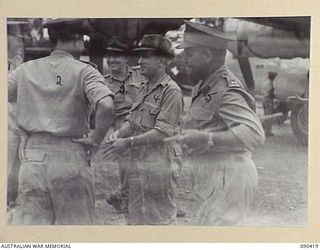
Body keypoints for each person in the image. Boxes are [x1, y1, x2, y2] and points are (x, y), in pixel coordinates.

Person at [7, 18, 114, 225]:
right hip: (69, 155)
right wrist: (95, 140)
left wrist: (19, 130)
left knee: (34, 235)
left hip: (33, 158)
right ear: (76, 39)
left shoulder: (25, 70)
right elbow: (107, 106)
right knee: (74, 232)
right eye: (83, 39)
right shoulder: (85, 71)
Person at [177, 21, 265, 225]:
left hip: (229, 178)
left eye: (189, 54)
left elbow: (254, 133)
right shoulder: (204, 84)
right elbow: (210, 120)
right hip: (213, 177)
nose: (185, 60)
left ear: (207, 56)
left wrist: (206, 138)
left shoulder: (227, 88)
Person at [103, 34, 184, 225]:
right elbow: (132, 120)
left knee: (159, 220)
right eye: (140, 57)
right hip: (138, 162)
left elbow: (163, 131)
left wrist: (128, 142)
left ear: (162, 60)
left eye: (146, 57)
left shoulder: (171, 91)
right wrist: (119, 133)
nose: (140, 62)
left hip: (159, 165)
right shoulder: (145, 86)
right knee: (136, 218)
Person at [103, 36, 142, 213]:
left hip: (144, 122)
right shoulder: (103, 83)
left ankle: (148, 198)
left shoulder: (141, 74)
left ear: (126, 58)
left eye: (116, 56)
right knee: (126, 165)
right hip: (121, 126)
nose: (111, 60)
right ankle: (126, 199)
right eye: (108, 56)